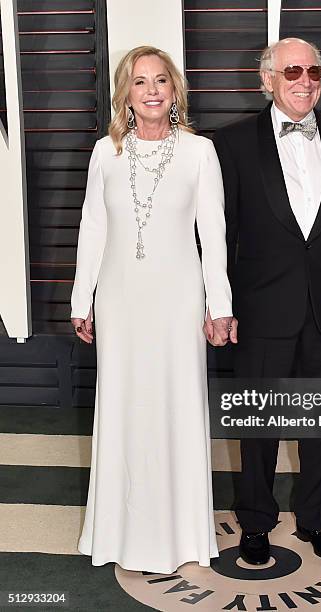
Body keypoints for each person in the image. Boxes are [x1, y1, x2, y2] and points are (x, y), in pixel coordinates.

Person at [212, 38, 321, 565]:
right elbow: (221, 232)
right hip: (261, 310)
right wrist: (220, 303)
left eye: (314, 71)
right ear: (267, 80)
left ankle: (315, 520)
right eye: (292, 72)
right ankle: (257, 523)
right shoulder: (233, 144)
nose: (305, 80)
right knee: (259, 427)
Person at [70, 45, 237, 574]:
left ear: (174, 90)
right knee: (122, 408)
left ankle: (183, 537)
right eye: (140, 82)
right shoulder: (105, 153)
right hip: (119, 299)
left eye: (160, 81)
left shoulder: (198, 152)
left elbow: (214, 235)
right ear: (126, 92)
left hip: (178, 301)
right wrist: (82, 299)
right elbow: (93, 227)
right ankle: (119, 534)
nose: (151, 91)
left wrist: (220, 306)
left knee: (176, 408)